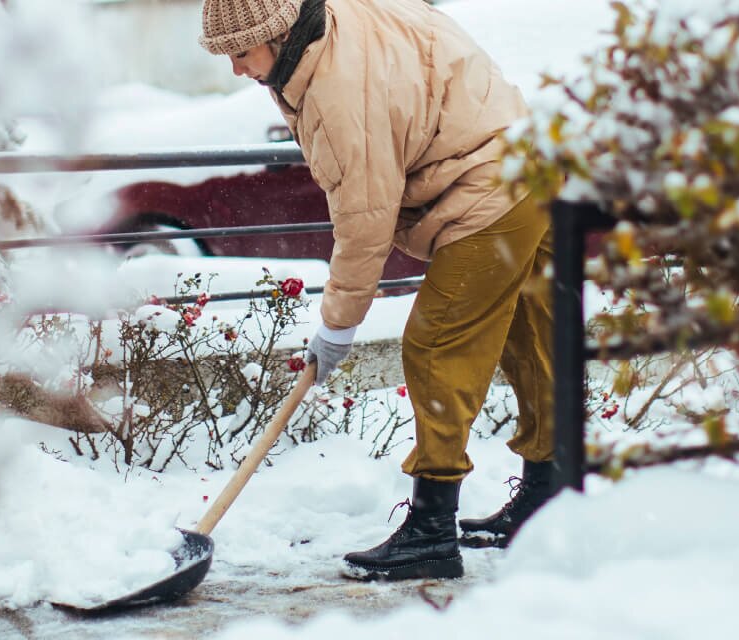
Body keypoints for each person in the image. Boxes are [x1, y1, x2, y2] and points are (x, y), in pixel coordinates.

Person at [199, 0, 563, 581]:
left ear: (280, 33)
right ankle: (552, 494)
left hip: (487, 183)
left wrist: (337, 324)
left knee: (436, 344)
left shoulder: (339, 91)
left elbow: (364, 217)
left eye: (242, 54)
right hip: (527, 157)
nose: (237, 71)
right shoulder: (326, 29)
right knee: (530, 337)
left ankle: (431, 532)